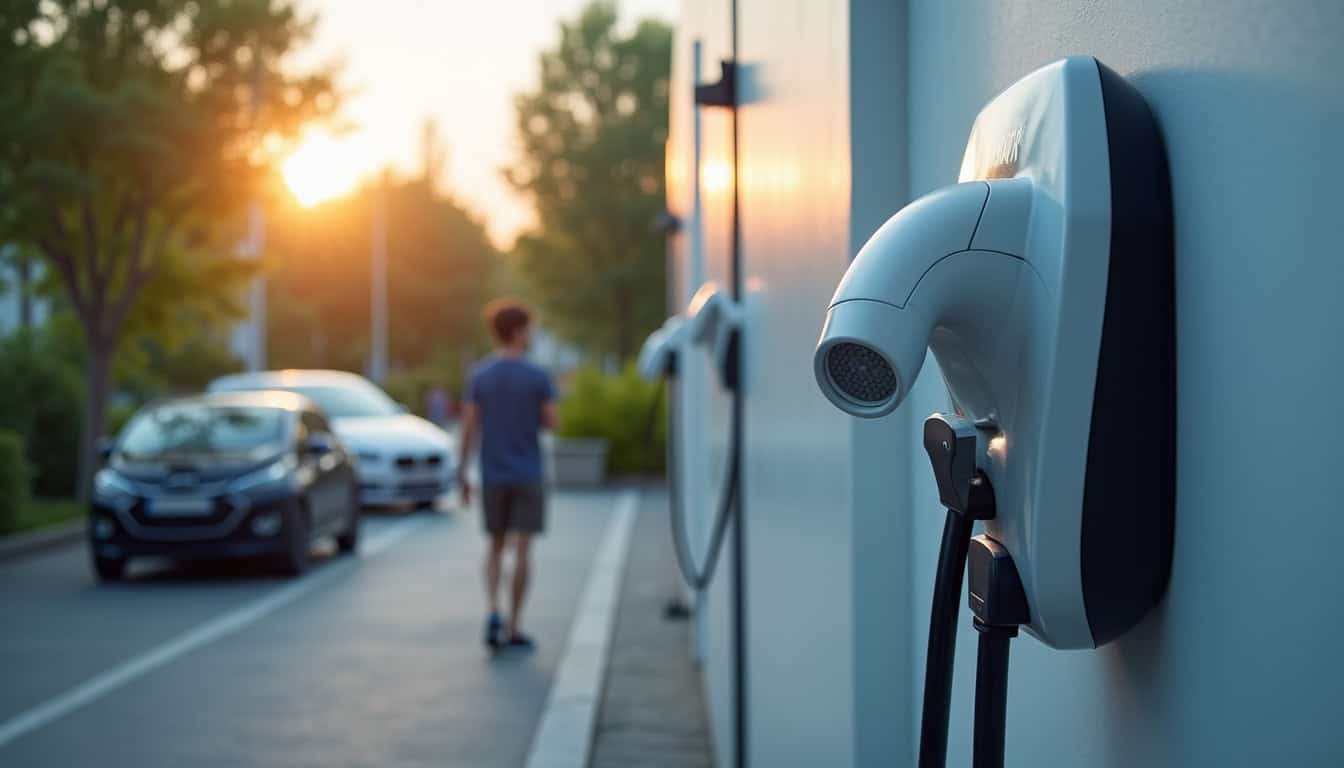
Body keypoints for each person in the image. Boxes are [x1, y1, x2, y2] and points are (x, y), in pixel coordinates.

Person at [457, 299, 556, 651]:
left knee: (495, 546)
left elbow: (469, 427)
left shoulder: (480, 375)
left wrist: (462, 473)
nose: (531, 335)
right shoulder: (537, 376)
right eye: (528, 329)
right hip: (528, 472)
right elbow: (552, 422)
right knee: (523, 550)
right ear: (517, 331)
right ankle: (514, 626)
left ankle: (492, 610)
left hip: (493, 472)